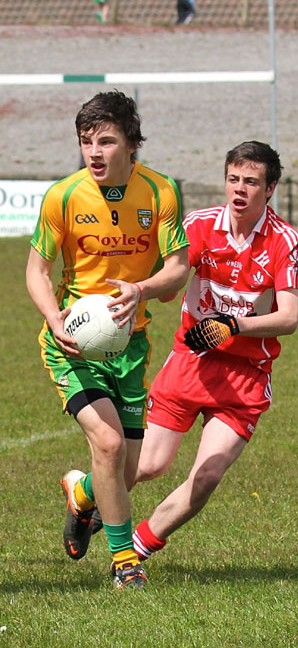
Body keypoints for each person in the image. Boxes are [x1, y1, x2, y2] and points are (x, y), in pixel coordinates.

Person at [26, 90, 190, 589]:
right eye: (86, 142)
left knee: (132, 468)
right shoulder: (64, 195)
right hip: (73, 345)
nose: (94, 152)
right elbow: (37, 270)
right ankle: (125, 564)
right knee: (109, 442)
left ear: (132, 143)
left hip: (131, 344)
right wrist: (55, 317)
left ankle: (83, 495)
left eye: (105, 141)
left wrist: (141, 289)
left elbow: (178, 268)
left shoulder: (160, 192)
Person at [129, 140, 298, 563]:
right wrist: (159, 286)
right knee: (149, 465)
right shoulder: (200, 225)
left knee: (207, 476)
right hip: (192, 361)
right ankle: (85, 492)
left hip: (245, 376)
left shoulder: (285, 240)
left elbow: (289, 318)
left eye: (251, 182)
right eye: (233, 179)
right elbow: (172, 282)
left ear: (271, 188)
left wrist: (231, 324)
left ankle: (136, 550)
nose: (239, 189)